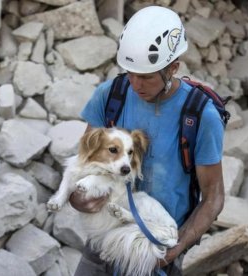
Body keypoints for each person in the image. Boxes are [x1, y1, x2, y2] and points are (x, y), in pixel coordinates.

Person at [70, 5, 225, 276]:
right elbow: (85, 161)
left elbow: (213, 197)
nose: (135, 84)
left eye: (145, 76)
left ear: (173, 68)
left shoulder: (200, 116)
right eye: (130, 73)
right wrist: (77, 196)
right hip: (106, 235)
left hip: (158, 244)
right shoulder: (110, 97)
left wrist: (175, 250)